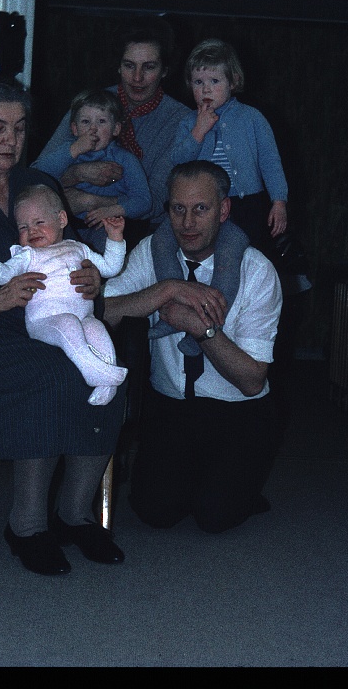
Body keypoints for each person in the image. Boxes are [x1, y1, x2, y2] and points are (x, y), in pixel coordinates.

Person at [0, 75, 126, 577]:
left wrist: (91, 278)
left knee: (111, 363)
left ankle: (74, 514)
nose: (10, 140)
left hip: (40, 321)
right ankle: (27, 525)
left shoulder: (39, 186)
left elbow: (66, 253)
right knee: (54, 373)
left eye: (19, 127)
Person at [103, 160, 284, 534]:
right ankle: (201, 477)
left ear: (224, 209)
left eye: (201, 208)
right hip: (171, 406)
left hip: (238, 410)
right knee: (155, 511)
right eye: (178, 208)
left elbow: (252, 381)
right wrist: (167, 290)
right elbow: (102, 311)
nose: (187, 223)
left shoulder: (257, 270)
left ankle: (238, 484)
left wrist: (197, 327)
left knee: (215, 518)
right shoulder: (150, 253)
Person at [0, 183, 128, 406]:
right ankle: (95, 372)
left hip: (84, 316)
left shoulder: (79, 248)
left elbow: (110, 267)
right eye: (23, 227)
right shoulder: (27, 255)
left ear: (61, 220)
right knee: (68, 324)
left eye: (39, 223)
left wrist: (115, 238)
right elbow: (3, 275)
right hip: (45, 321)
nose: (31, 231)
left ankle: (105, 385)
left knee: (96, 329)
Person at [32, 17, 190, 242]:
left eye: (149, 67)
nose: (137, 78)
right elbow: (36, 177)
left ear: (164, 70)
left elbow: (155, 202)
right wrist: (78, 174)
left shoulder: (180, 121)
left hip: (143, 236)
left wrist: (87, 201)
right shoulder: (90, 106)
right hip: (69, 232)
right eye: (129, 65)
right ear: (118, 65)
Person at [170, 38, 288, 251]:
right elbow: (178, 163)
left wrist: (279, 201)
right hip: (203, 206)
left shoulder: (252, 117)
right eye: (198, 82)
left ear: (232, 82)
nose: (206, 89)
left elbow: (270, 161)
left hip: (247, 204)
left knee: (245, 255)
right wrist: (199, 130)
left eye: (214, 81)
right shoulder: (188, 122)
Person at [31, 89, 151, 253]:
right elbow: (39, 174)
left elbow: (143, 200)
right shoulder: (68, 152)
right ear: (74, 128)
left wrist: (112, 210)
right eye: (86, 122)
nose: (93, 129)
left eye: (101, 122)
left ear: (115, 129)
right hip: (67, 226)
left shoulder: (125, 159)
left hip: (106, 225)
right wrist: (74, 149)